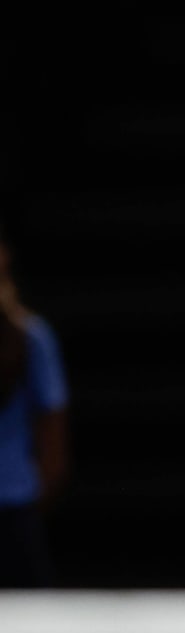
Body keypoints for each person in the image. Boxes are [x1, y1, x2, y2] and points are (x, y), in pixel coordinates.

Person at [0, 230, 70, 588]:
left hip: (17, 506)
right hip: (17, 503)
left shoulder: (31, 339)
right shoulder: (35, 337)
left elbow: (53, 438)